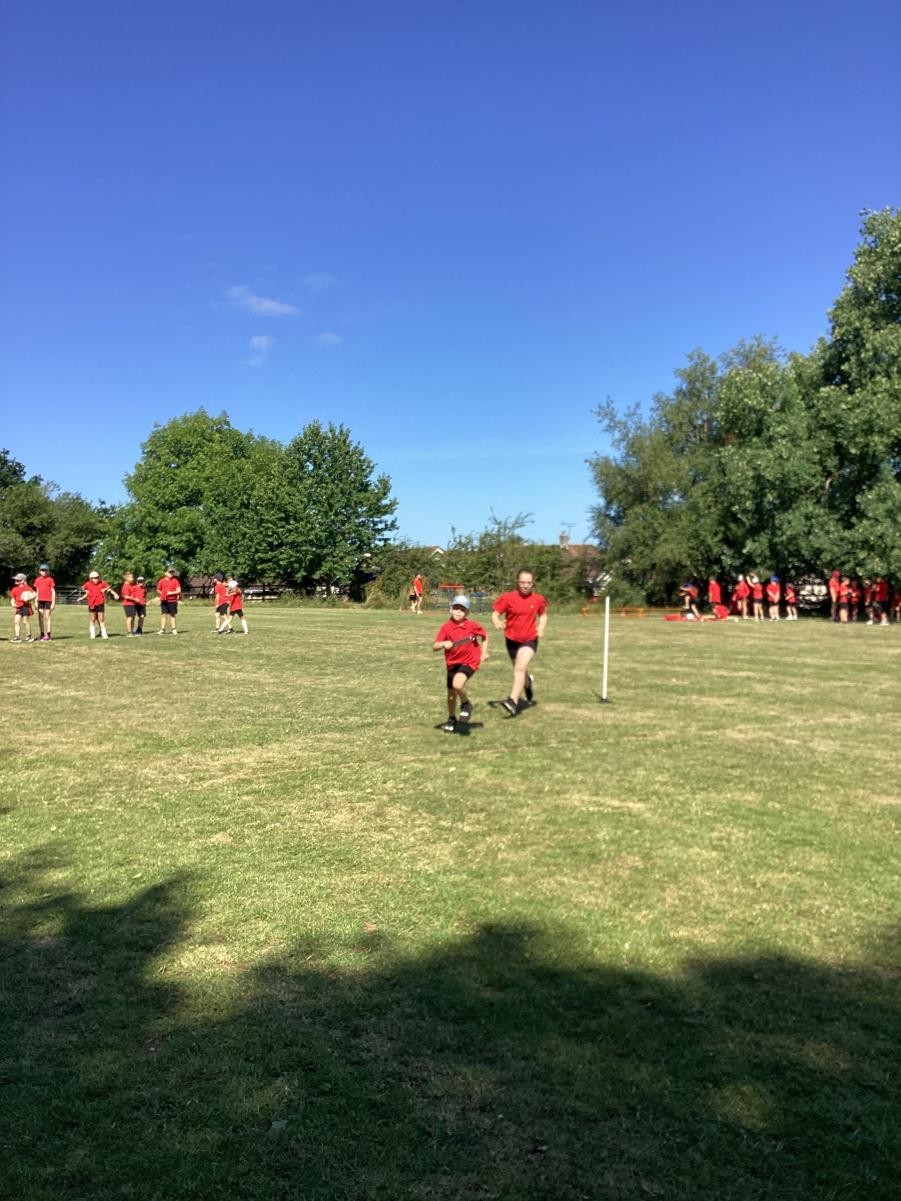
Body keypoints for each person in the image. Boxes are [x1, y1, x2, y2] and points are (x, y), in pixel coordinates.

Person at [491, 568, 548, 716]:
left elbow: (543, 615)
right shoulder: (508, 598)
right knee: (520, 670)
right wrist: (496, 621)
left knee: (519, 669)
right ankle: (528, 682)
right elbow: (495, 613)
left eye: (529, 583)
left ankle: (512, 701)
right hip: (511, 640)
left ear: (533, 583)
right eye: (522, 582)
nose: (526, 585)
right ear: (517, 582)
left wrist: (541, 627)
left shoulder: (538, 599)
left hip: (530, 639)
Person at [433, 595, 487, 732]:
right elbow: (435, 646)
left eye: (462, 609)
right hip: (452, 663)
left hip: (470, 661)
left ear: (467, 613)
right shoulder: (446, 628)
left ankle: (466, 704)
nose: (458, 611)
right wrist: (443, 643)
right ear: (450, 609)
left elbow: (484, 636)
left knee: (457, 684)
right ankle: (451, 718)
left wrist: (484, 652)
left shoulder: (472, 626)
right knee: (451, 695)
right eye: (456, 608)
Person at [79, 570, 119, 639]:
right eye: (95, 578)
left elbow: (109, 589)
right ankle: (92, 634)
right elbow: (84, 589)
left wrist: (115, 594)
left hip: (100, 603)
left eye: (97, 577)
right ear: (91, 578)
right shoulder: (88, 584)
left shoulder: (102, 583)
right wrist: (83, 596)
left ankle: (104, 634)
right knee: (92, 619)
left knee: (101, 619)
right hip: (92, 604)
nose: (96, 579)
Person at [33, 563, 56, 641]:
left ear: (48, 571)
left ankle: (48, 635)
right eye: (42, 570)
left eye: (45, 570)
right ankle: (42, 634)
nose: (44, 572)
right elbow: (37, 591)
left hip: (48, 600)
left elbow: (53, 591)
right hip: (40, 600)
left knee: (47, 617)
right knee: (40, 618)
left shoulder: (50, 580)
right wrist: (35, 601)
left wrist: (53, 602)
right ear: (39, 571)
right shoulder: (37, 580)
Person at [10, 573, 35, 642]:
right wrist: (12, 603)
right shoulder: (14, 589)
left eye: (18, 580)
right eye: (15, 580)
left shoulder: (27, 587)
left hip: (25, 607)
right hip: (18, 607)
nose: (16, 581)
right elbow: (13, 598)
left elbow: (34, 594)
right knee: (16, 621)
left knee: (25, 621)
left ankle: (29, 636)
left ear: (23, 581)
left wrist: (28, 598)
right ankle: (17, 637)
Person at [156, 566, 182, 635]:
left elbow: (179, 590)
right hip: (164, 601)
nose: (171, 573)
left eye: (172, 572)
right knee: (164, 615)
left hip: (173, 601)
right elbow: (158, 589)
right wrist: (162, 594)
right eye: (170, 572)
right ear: (165, 573)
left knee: (172, 615)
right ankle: (162, 629)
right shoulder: (161, 581)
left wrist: (171, 593)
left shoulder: (175, 580)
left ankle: (174, 629)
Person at [120, 571, 137, 635]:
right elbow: (126, 596)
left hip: (132, 604)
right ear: (127, 578)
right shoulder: (126, 586)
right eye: (131, 577)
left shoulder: (130, 585)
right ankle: (129, 632)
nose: (133, 578)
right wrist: (134, 599)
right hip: (128, 604)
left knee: (133, 617)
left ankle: (132, 631)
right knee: (129, 618)